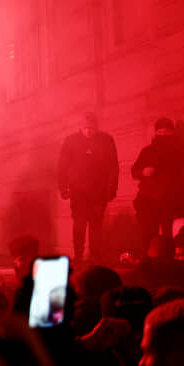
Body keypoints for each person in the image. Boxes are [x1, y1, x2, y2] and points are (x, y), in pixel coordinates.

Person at [131, 117, 184, 256]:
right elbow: (134, 170)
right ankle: (148, 264)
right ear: (156, 133)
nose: (163, 135)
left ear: (172, 133)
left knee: (170, 237)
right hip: (147, 201)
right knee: (147, 236)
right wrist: (143, 172)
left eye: (166, 132)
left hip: (171, 201)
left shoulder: (182, 152)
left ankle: (168, 266)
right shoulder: (148, 151)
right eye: (160, 131)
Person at [57, 112, 119, 262]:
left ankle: (95, 256)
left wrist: (111, 189)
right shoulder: (71, 141)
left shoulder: (106, 140)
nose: (89, 132)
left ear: (97, 128)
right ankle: (78, 255)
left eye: (92, 128)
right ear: (81, 127)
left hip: (98, 192)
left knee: (96, 225)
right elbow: (62, 166)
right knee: (79, 224)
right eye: (86, 128)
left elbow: (113, 166)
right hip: (78, 192)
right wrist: (63, 187)